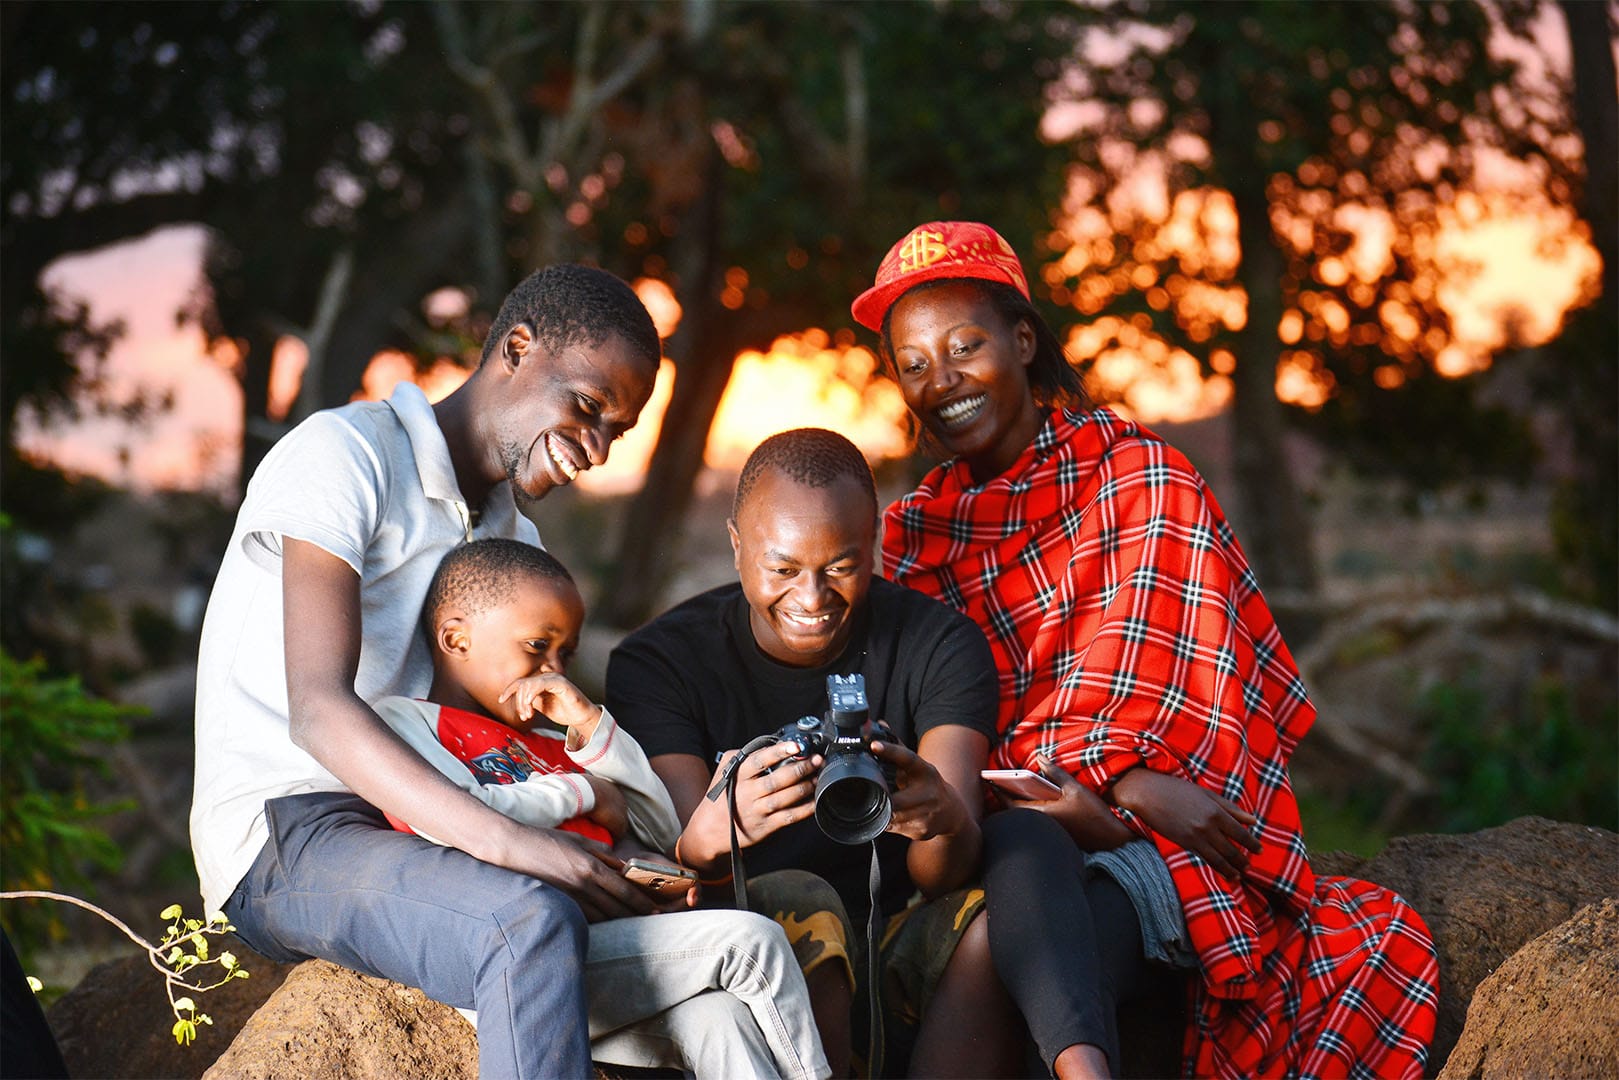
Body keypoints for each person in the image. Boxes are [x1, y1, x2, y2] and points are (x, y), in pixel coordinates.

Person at [189, 264, 826, 1080]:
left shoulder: (514, 549)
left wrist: (621, 840)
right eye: (587, 407)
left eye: (617, 432)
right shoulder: (345, 453)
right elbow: (317, 709)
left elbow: (515, 752)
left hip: (439, 830)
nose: (596, 450)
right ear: (517, 349)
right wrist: (518, 846)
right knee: (524, 921)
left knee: (713, 1000)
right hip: (297, 831)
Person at [857, 221, 1442, 1079]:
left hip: (1165, 854)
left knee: (1006, 947)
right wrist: (1117, 785)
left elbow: (1211, 723)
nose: (939, 380)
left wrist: (1104, 802)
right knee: (1017, 874)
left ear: (1023, 340)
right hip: (1004, 841)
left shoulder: (1140, 480)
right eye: (912, 364)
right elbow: (945, 749)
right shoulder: (917, 540)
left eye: (964, 346)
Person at [607, 428, 1024, 1078]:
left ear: (873, 541)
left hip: (891, 925)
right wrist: (717, 830)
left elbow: (948, 874)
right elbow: (683, 873)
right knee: (807, 902)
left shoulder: (938, 644)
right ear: (737, 545)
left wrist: (939, 818)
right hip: (749, 936)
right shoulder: (659, 663)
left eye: (840, 568)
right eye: (782, 570)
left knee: (996, 923)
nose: (810, 598)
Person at [374, 537, 829, 1079]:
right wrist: (587, 793)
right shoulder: (406, 722)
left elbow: (660, 827)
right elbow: (455, 815)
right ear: (456, 638)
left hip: (608, 951)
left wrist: (591, 723)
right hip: (523, 966)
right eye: (537, 646)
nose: (553, 670)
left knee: (720, 1020)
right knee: (752, 942)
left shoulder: (553, 742)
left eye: (565, 654)